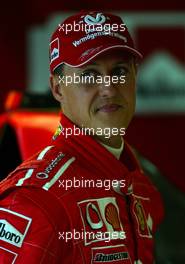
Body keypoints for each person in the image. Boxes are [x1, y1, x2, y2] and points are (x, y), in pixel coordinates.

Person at [0, 11, 164, 263]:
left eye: (120, 70)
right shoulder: (35, 200)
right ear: (57, 88)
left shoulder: (141, 186)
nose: (109, 88)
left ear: (135, 76)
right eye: (89, 75)